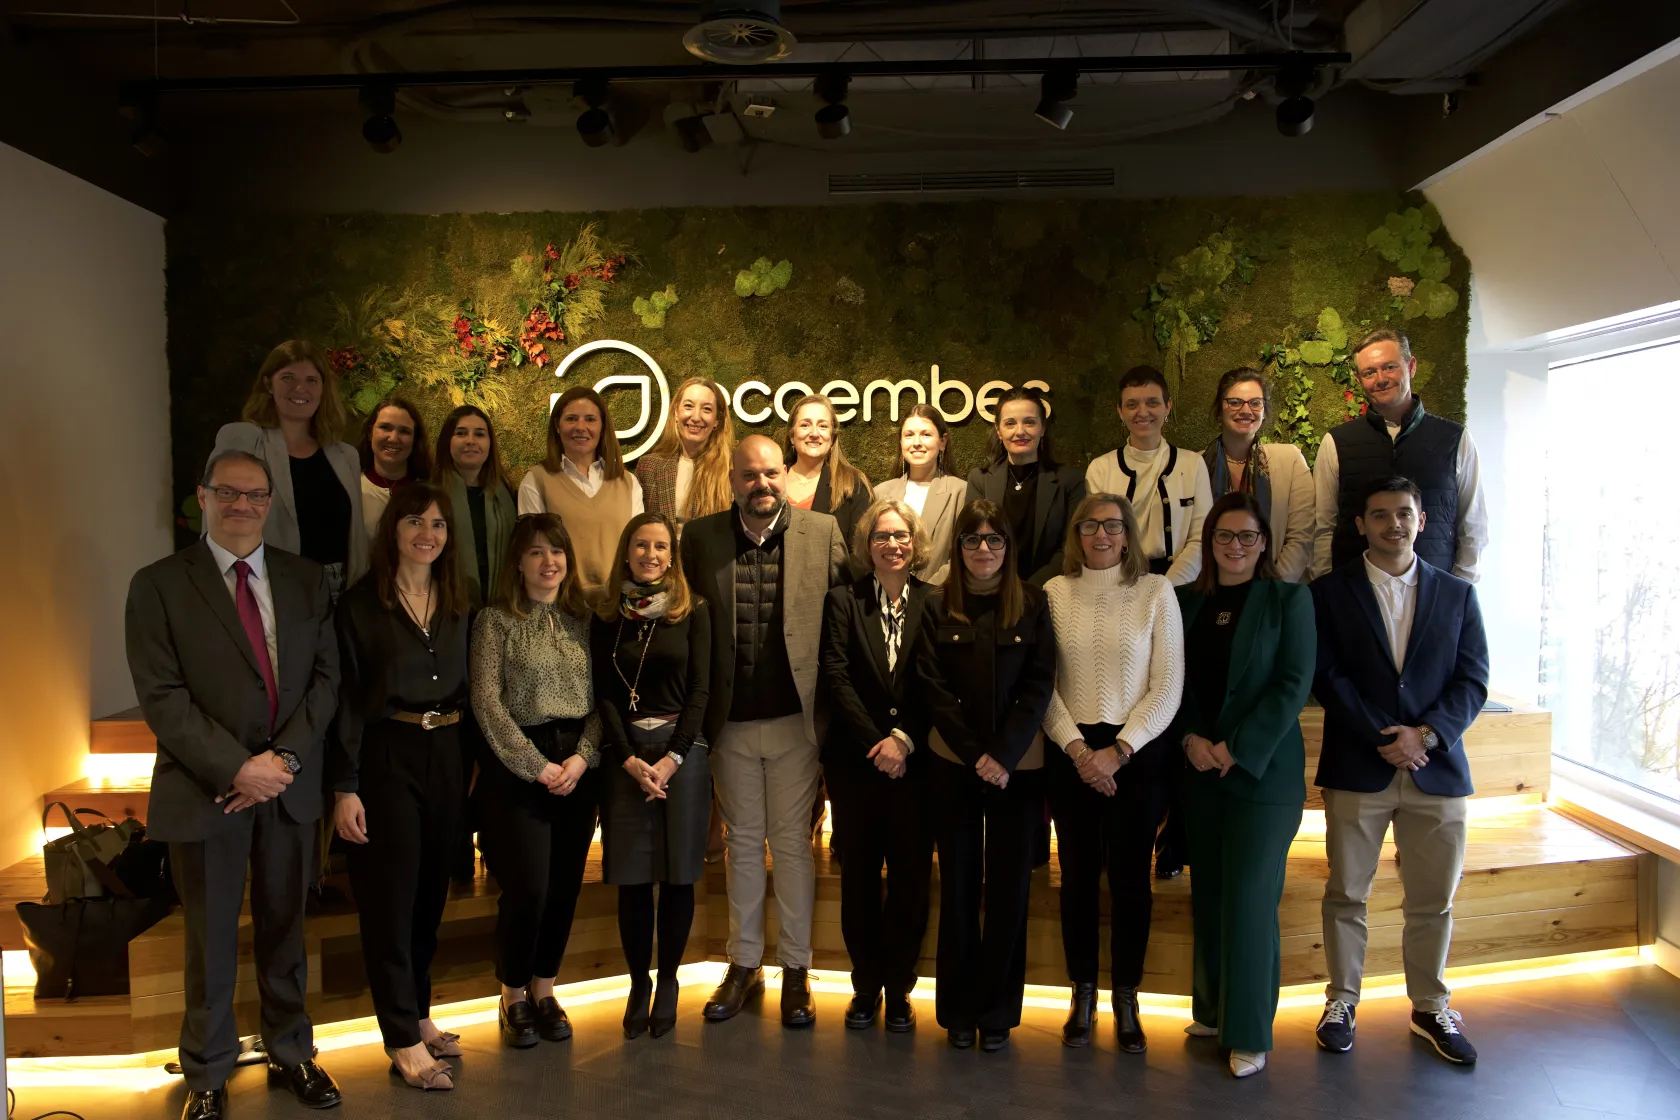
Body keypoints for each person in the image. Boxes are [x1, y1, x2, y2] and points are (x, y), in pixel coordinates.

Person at [126, 448, 342, 1120]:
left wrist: (283, 764)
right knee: (209, 939)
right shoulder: (159, 583)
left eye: (254, 495)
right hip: (205, 788)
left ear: (270, 502)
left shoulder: (306, 581)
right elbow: (162, 696)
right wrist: (238, 768)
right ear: (203, 496)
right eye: (228, 492)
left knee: (285, 929)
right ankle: (209, 1071)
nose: (242, 505)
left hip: (288, 788)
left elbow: (326, 682)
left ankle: (290, 1049)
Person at [1311, 476, 1490, 1066]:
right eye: (1381, 514)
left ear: (1421, 520)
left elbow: (1473, 680)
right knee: (1346, 894)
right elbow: (1327, 675)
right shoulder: (1328, 593)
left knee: (1433, 900)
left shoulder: (1457, 595)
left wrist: (1428, 735)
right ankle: (1342, 1001)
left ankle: (1430, 1005)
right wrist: (1384, 736)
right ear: (1361, 524)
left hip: (1436, 769)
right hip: (1360, 765)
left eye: (1405, 513)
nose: (1394, 524)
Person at [679, 434, 848, 1028]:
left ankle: (797, 970)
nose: (762, 485)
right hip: (727, 725)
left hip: (795, 724)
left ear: (786, 475)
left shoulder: (822, 532)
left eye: (771, 473)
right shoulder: (698, 539)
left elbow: (843, 623)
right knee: (742, 845)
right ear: (732, 481)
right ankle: (744, 965)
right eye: (749, 475)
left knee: (794, 847)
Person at [328, 483, 471, 1092]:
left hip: (448, 752)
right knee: (391, 899)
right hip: (387, 754)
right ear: (393, 529)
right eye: (415, 521)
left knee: (432, 892)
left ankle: (419, 1011)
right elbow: (345, 703)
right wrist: (346, 786)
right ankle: (401, 1041)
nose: (427, 533)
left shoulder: (458, 600)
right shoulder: (361, 605)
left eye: (437, 524)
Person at [1171, 493, 1315, 1079]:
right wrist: (1189, 741)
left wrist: (1237, 748)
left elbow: (1293, 683)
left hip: (1264, 776)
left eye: (1247, 537)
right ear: (1209, 543)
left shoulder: (1289, 600)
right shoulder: (1184, 604)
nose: (1235, 547)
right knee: (1209, 892)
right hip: (1200, 772)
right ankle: (1211, 1010)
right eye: (1225, 536)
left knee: (1252, 901)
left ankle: (1250, 1030)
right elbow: (1168, 681)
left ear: (1264, 544)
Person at [1040, 493, 1184, 1054]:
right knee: (1075, 879)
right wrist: (1080, 751)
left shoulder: (1156, 592)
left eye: (1113, 526)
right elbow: (1042, 685)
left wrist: (1119, 750)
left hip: (1136, 756)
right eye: (1090, 526)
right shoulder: (1054, 593)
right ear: (1076, 535)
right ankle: (1082, 994)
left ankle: (1126, 995)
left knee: (1130, 882)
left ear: (1129, 535)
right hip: (1070, 750)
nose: (1101, 535)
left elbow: (1168, 685)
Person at [911, 499, 1057, 1053]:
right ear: (959, 548)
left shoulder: (1034, 605)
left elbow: (1040, 684)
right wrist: (977, 754)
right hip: (954, 765)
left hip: (1020, 769)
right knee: (959, 889)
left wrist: (1003, 753)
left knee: (1009, 891)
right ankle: (958, 1012)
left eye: (994, 540)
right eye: (973, 540)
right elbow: (933, 689)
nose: (984, 550)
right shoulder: (935, 605)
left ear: (1008, 548)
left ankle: (998, 1011)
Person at [469, 513, 601, 1050]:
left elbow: (604, 699)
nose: (549, 562)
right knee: (529, 887)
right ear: (518, 562)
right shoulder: (494, 621)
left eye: (557, 552)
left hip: (577, 767)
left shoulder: (583, 618)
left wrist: (583, 757)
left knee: (565, 887)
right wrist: (536, 766)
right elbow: (486, 703)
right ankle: (513, 993)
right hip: (518, 769)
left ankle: (545, 988)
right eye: (536, 553)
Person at [817, 499, 936, 1034]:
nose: (893, 544)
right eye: (883, 536)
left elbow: (936, 682)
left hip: (916, 769)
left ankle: (900, 987)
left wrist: (903, 741)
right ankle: (865, 986)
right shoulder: (843, 600)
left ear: (916, 544)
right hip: (857, 767)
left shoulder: (935, 602)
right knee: (859, 879)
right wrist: (877, 743)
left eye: (902, 535)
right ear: (868, 545)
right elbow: (835, 676)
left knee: (911, 880)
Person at [592, 513, 712, 1040]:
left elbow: (701, 693)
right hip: (626, 757)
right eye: (641, 544)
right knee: (634, 879)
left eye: (661, 546)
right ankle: (639, 981)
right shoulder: (606, 615)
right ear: (627, 550)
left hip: (681, 753)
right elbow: (604, 694)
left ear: (672, 555)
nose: (651, 554)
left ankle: (668, 980)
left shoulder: (693, 611)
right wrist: (626, 757)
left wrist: (673, 757)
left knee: (679, 873)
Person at [1312, 328, 1489, 582]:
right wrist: (1325, 588)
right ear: (1359, 379)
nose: (1380, 379)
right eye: (1369, 372)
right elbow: (1322, 527)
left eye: (1390, 367)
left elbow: (1473, 525)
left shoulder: (1455, 439)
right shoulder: (1336, 443)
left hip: (1434, 593)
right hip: (1355, 596)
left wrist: (1459, 590)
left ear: (1411, 366)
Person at [213, 339, 367, 595]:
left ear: (323, 389)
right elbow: (218, 523)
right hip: (268, 593)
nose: (300, 388)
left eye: (311, 380)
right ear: (268, 384)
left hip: (339, 595)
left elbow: (356, 540)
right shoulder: (242, 441)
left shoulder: (345, 456)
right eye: (287, 377)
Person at [1085, 365, 1213, 586]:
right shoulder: (1100, 469)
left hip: (1181, 585)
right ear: (1120, 411)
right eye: (1132, 405)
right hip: (1120, 584)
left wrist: (1168, 587)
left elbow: (1201, 538)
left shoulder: (1192, 464)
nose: (1142, 412)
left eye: (1152, 403)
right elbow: (1099, 539)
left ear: (1167, 407)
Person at [518, 385, 645, 603]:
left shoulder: (628, 483)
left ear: (603, 427)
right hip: (562, 608)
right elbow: (532, 554)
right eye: (571, 419)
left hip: (618, 607)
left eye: (590, 419)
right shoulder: (536, 481)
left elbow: (637, 548)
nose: (581, 427)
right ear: (557, 426)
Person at [965, 387, 1086, 586]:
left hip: (1051, 592)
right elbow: (973, 541)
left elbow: (1071, 547)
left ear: (1043, 428)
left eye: (1029, 422)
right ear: (998, 430)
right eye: (1010, 423)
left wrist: (1030, 590)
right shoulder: (980, 480)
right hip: (992, 591)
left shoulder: (1070, 481)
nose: (1020, 431)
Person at [1202, 367, 1314, 582]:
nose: (1246, 410)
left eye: (1255, 403)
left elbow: (1301, 537)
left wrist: (1272, 589)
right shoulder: (1196, 465)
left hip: (1275, 590)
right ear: (1219, 409)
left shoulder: (1290, 460)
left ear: (1265, 410)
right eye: (1235, 402)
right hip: (1211, 588)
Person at [872, 403, 967, 586]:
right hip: (888, 598)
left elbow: (963, 556)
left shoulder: (960, 492)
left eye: (926, 434)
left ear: (942, 441)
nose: (916, 443)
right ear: (900, 442)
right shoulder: (880, 493)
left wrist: (924, 595)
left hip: (940, 599)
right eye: (909, 435)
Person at [434, 405, 517, 608]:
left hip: (501, 608)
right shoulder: (430, 494)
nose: (471, 440)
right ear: (447, 441)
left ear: (490, 443)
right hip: (445, 608)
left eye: (479, 434)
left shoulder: (507, 493)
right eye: (461, 433)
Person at [636, 376, 735, 530]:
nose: (695, 417)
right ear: (676, 412)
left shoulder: (732, 469)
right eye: (688, 406)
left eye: (706, 409)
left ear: (717, 420)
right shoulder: (649, 466)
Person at [782, 393, 873, 555]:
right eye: (805, 425)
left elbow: (862, 556)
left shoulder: (853, 485)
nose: (814, 433)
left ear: (832, 437)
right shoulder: (770, 481)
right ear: (791, 436)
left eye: (823, 426)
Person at [358, 397, 431, 540]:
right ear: (369, 433)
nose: (393, 438)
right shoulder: (351, 489)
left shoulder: (429, 493)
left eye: (404, 431)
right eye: (385, 427)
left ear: (415, 439)